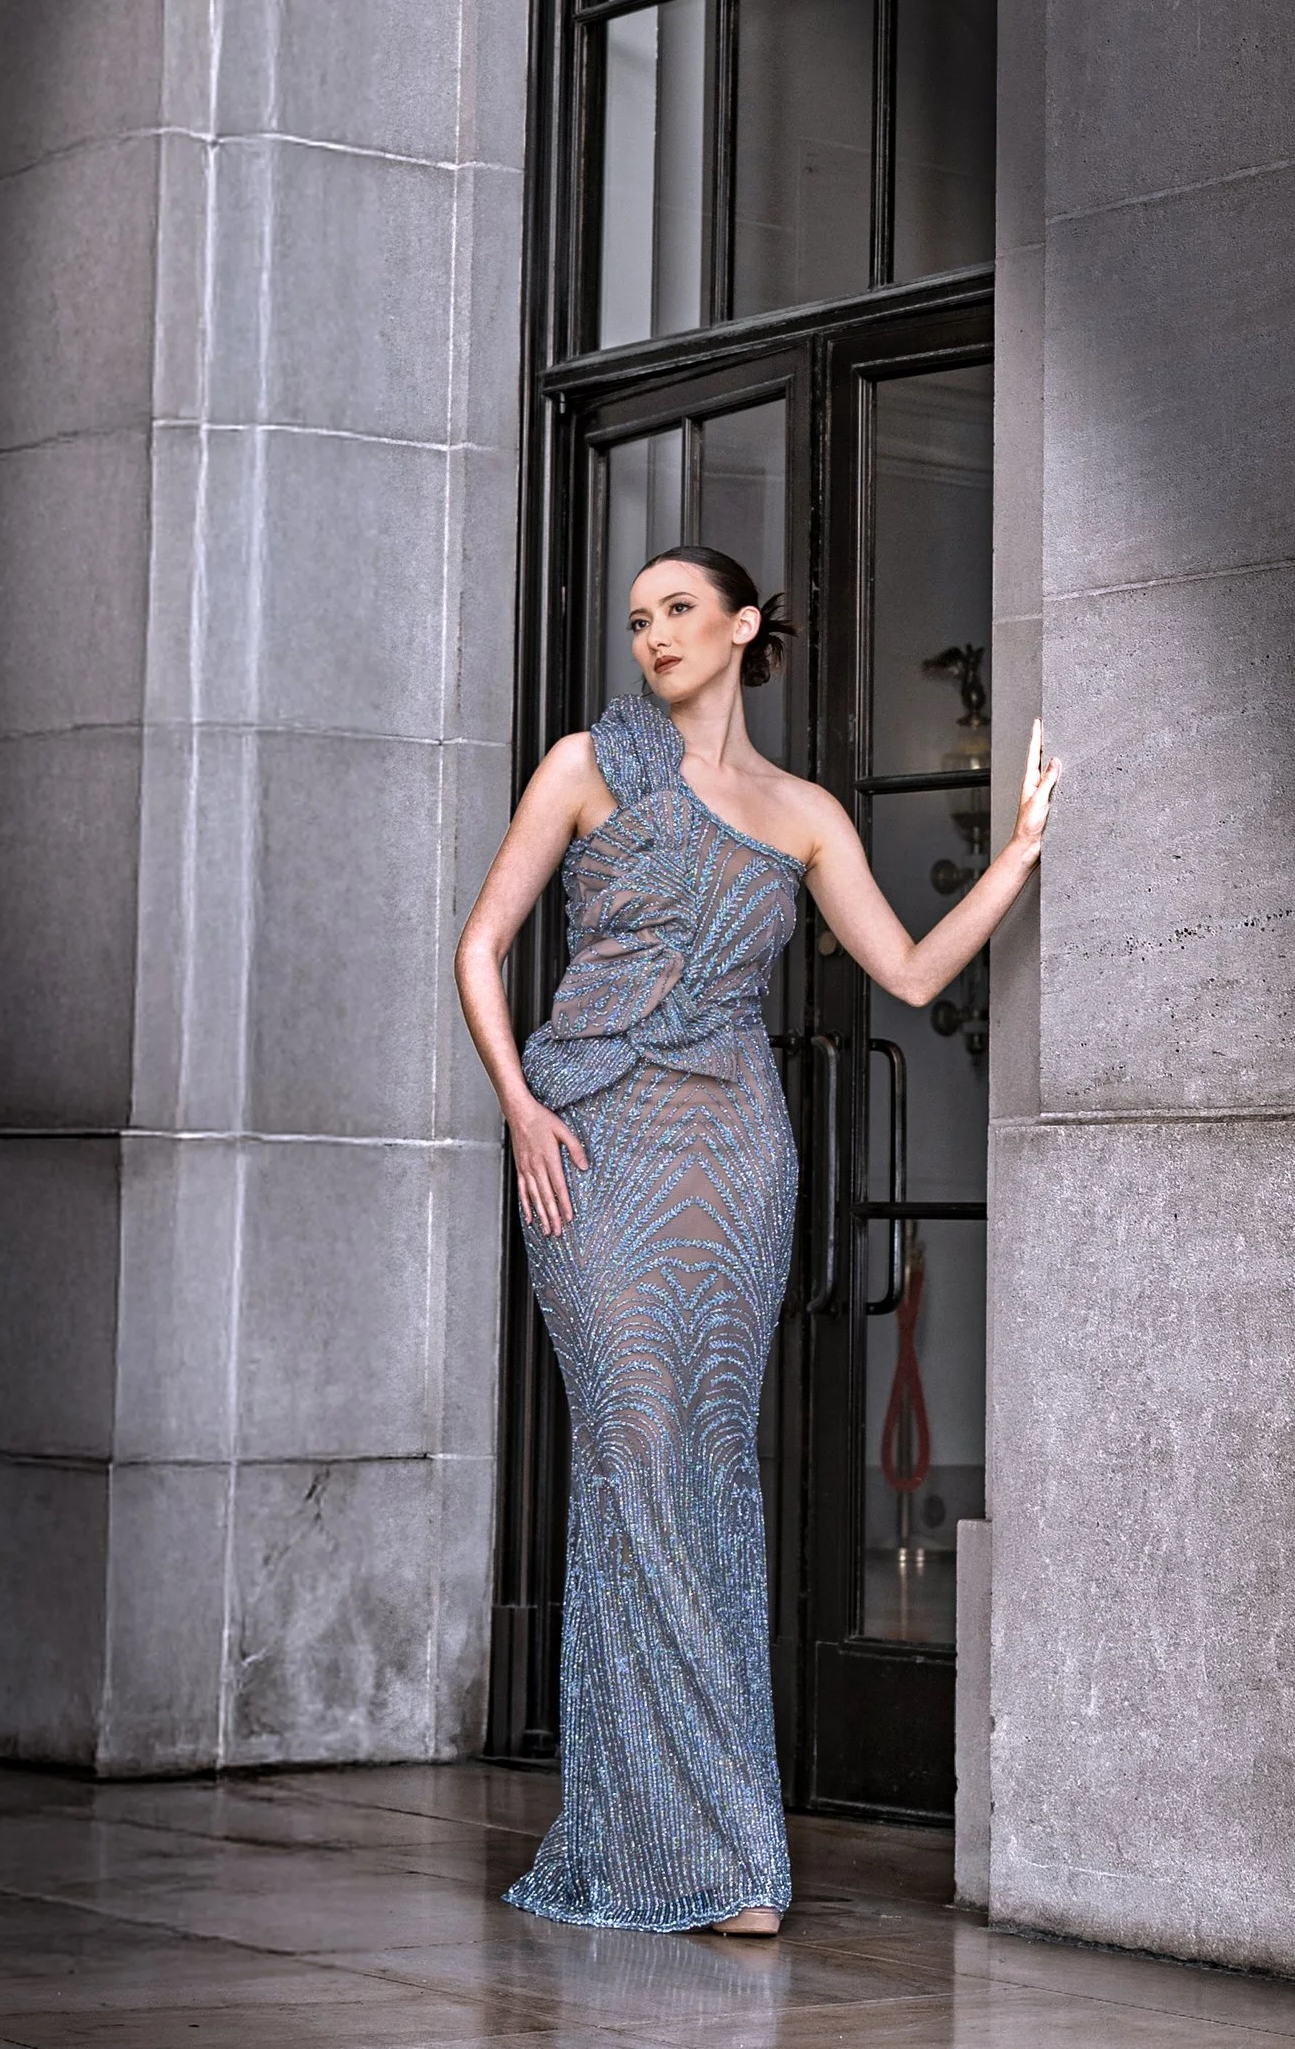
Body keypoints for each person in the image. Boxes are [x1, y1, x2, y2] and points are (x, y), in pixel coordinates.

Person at [455, 546, 1059, 1937]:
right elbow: (482, 945)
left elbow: (906, 971)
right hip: (591, 1143)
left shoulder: (799, 814)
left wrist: (1017, 852)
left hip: (736, 1158)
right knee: (635, 1451)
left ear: (743, 628)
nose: (652, 634)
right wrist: (519, 1111)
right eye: (636, 619)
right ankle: (698, 1848)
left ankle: (695, 1844)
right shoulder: (586, 766)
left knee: (708, 1469)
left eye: (677, 611)